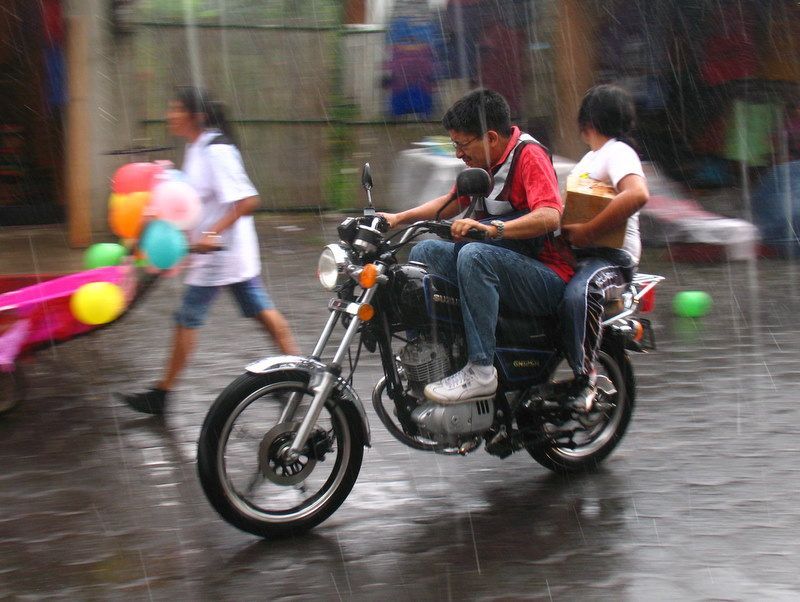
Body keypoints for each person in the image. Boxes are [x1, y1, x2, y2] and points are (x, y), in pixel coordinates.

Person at [381, 89, 574, 403]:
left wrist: (492, 229)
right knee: (422, 253)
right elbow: (449, 203)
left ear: (491, 138)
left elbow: (550, 216)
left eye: (461, 144)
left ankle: (481, 370)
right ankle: (435, 352)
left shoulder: (528, 156)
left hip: (546, 275)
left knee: (474, 255)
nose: (458, 153)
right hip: (507, 262)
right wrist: (397, 218)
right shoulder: (483, 164)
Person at [118, 86, 298, 415]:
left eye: (176, 109)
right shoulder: (197, 147)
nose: (170, 115)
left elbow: (247, 200)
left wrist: (212, 233)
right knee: (261, 313)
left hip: (222, 255)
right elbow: (194, 201)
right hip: (215, 256)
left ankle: (162, 394)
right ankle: (297, 376)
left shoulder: (216, 150)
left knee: (189, 319)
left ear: (196, 116)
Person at [559, 84, 649, 411]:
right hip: (582, 255)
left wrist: (587, 231)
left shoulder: (618, 152)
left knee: (579, 295)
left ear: (588, 120)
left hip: (610, 259)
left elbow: (637, 194)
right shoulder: (589, 159)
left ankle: (585, 380)